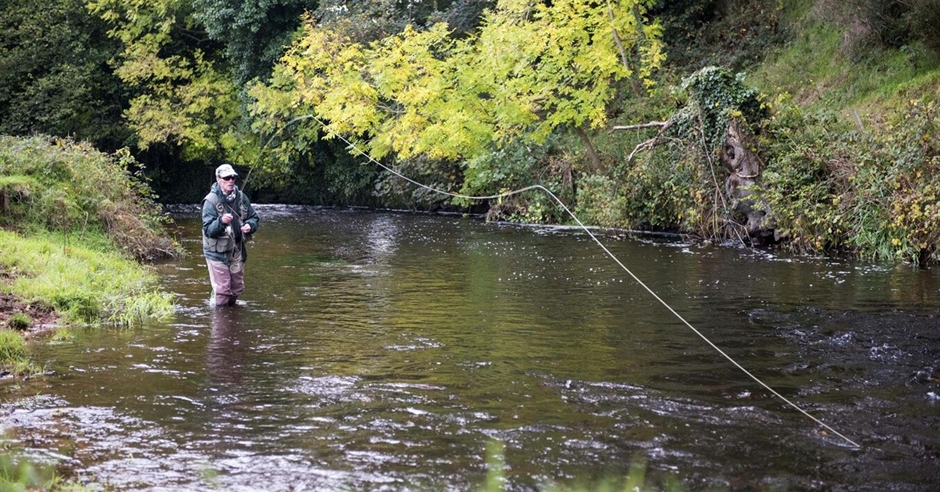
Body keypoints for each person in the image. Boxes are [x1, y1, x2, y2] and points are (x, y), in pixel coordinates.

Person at [202, 164, 259, 307]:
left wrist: (250, 226)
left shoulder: (241, 197)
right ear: (218, 179)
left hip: (237, 251)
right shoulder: (210, 201)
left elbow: (253, 217)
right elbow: (208, 230)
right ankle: (220, 322)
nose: (231, 181)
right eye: (227, 178)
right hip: (216, 253)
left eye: (233, 177)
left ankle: (231, 318)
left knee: (236, 288)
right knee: (223, 290)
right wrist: (221, 222)